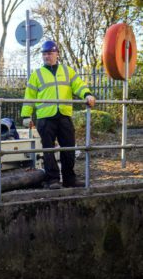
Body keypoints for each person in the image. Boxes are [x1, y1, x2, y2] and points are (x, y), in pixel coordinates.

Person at [21, 40, 96, 189]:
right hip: (45, 118)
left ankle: (69, 179)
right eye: (44, 54)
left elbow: (79, 85)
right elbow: (29, 96)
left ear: (57, 54)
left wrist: (87, 94)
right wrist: (26, 116)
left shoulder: (67, 71)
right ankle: (52, 180)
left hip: (64, 116)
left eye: (49, 53)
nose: (47, 56)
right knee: (48, 150)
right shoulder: (36, 75)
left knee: (68, 149)